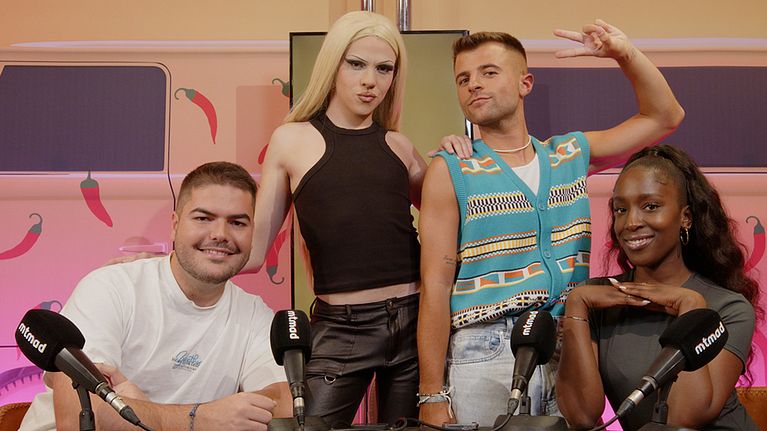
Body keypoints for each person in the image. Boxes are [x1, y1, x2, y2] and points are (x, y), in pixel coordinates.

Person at [417, 20, 685, 426]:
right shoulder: (452, 169)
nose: (474, 85)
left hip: (568, 342)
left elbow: (665, 116)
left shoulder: (569, 154)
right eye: (463, 79)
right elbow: (435, 287)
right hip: (485, 348)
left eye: (489, 72)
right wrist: (431, 393)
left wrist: (625, 55)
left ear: (525, 83)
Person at [248, 11, 427, 427]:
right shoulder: (291, 140)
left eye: (384, 69)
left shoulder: (399, 146)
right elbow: (254, 252)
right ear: (332, 65)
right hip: (341, 328)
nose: (370, 81)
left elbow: (454, 211)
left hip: (415, 322)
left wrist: (459, 154)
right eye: (356, 64)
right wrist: (161, 267)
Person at [19, 161, 291, 431]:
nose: (220, 234)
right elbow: (80, 416)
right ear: (175, 225)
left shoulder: (255, 315)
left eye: (237, 223)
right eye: (203, 218)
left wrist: (140, 409)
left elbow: (285, 403)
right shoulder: (111, 287)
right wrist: (204, 418)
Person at [557, 145, 759, 431]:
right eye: (621, 209)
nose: (631, 223)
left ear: (685, 217)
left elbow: (682, 418)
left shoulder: (728, 307)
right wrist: (576, 303)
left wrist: (691, 307)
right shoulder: (596, 301)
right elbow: (582, 417)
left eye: (650, 206)